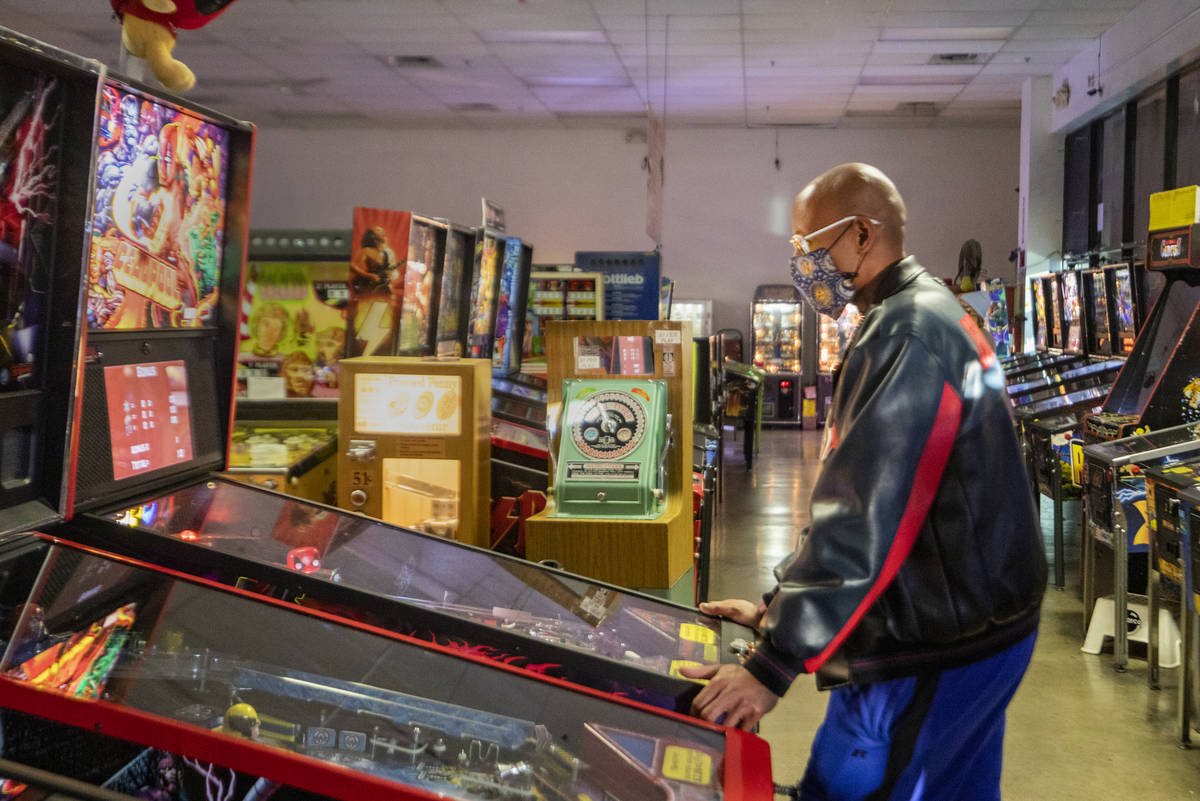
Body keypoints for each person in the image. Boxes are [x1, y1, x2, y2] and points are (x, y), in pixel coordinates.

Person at [681, 163, 1046, 801]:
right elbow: (867, 488)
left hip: (938, 636)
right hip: (981, 618)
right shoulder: (929, 310)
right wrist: (779, 610)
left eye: (807, 246)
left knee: (846, 788)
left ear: (859, 234)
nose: (802, 263)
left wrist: (770, 664)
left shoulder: (905, 332)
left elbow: (864, 512)